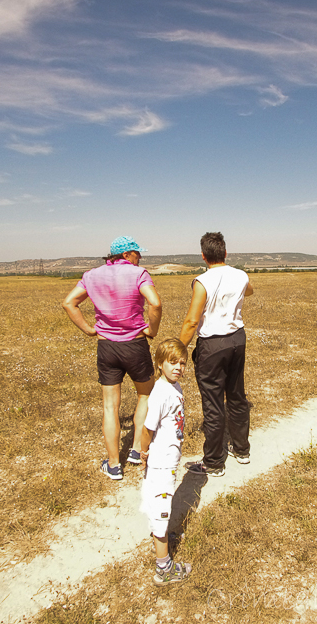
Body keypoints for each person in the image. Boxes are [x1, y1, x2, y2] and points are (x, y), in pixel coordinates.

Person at [62, 236, 162, 480]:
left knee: (110, 406)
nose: (140, 257)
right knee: (145, 395)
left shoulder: (91, 275)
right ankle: (137, 450)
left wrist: (88, 330)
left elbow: (69, 303)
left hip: (106, 346)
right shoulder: (139, 274)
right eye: (137, 253)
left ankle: (114, 464)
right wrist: (152, 330)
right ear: (126, 254)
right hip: (135, 344)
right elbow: (155, 303)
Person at [179, 232, 255, 477]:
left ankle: (213, 462)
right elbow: (249, 291)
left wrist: (179, 349)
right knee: (236, 394)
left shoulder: (202, 281)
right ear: (225, 253)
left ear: (203, 256)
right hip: (237, 340)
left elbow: (192, 320)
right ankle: (242, 450)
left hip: (212, 344)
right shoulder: (241, 275)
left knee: (213, 402)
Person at [138, 338, 192, 585]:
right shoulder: (160, 393)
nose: (178, 367)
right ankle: (164, 569)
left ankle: (161, 538)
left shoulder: (174, 386)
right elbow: (147, 428)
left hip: (168, 461)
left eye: (182, 363)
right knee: (161, 511)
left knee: (161, 505)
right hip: (161, 463)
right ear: (160, 364)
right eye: (172, 362)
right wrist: (144, 451)